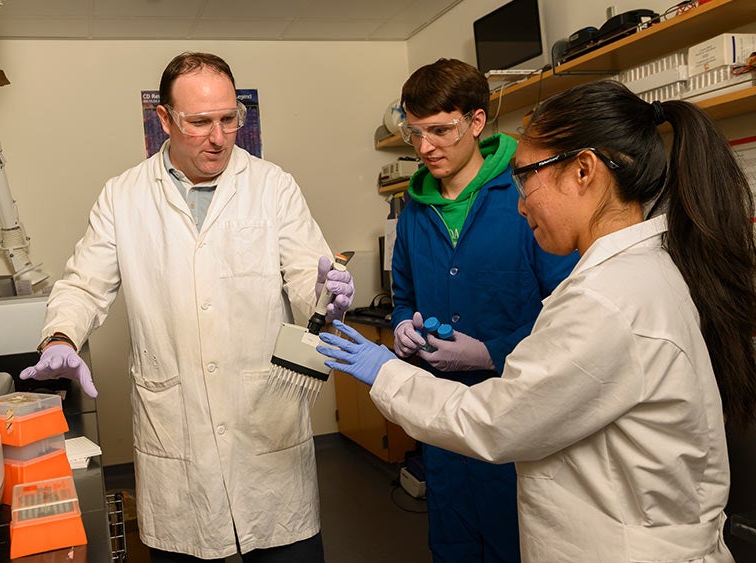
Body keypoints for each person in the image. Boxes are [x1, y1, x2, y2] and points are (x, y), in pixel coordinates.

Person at [317, 78, 756, 562]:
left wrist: (385, 372)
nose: (520, 201)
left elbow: (492, 422)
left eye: (526, 177)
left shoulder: (606, 299)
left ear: (583, 170)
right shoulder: (638, 271)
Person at [18, 52, 353, 562]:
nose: (218, 137)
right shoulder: (123, 197)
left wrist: (330, 296)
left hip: (265, 426)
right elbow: (83, 285)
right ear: (165, 119)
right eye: (199, 122)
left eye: (228, 119)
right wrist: (61, 336)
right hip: (177, 437)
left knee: (288, 547)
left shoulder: (272, 186)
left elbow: (310, 279)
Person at [387, 58, 577, 562]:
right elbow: (402, 295)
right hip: (442, 418)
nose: (425, 148)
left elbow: (571, 311)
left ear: (476, 122)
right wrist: (403, 324)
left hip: (517, 415)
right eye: (415, 133)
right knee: (453, 541)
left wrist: (491, 352)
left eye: (440, 131)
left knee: (516, 540)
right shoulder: (414, 213)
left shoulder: (527, 193)